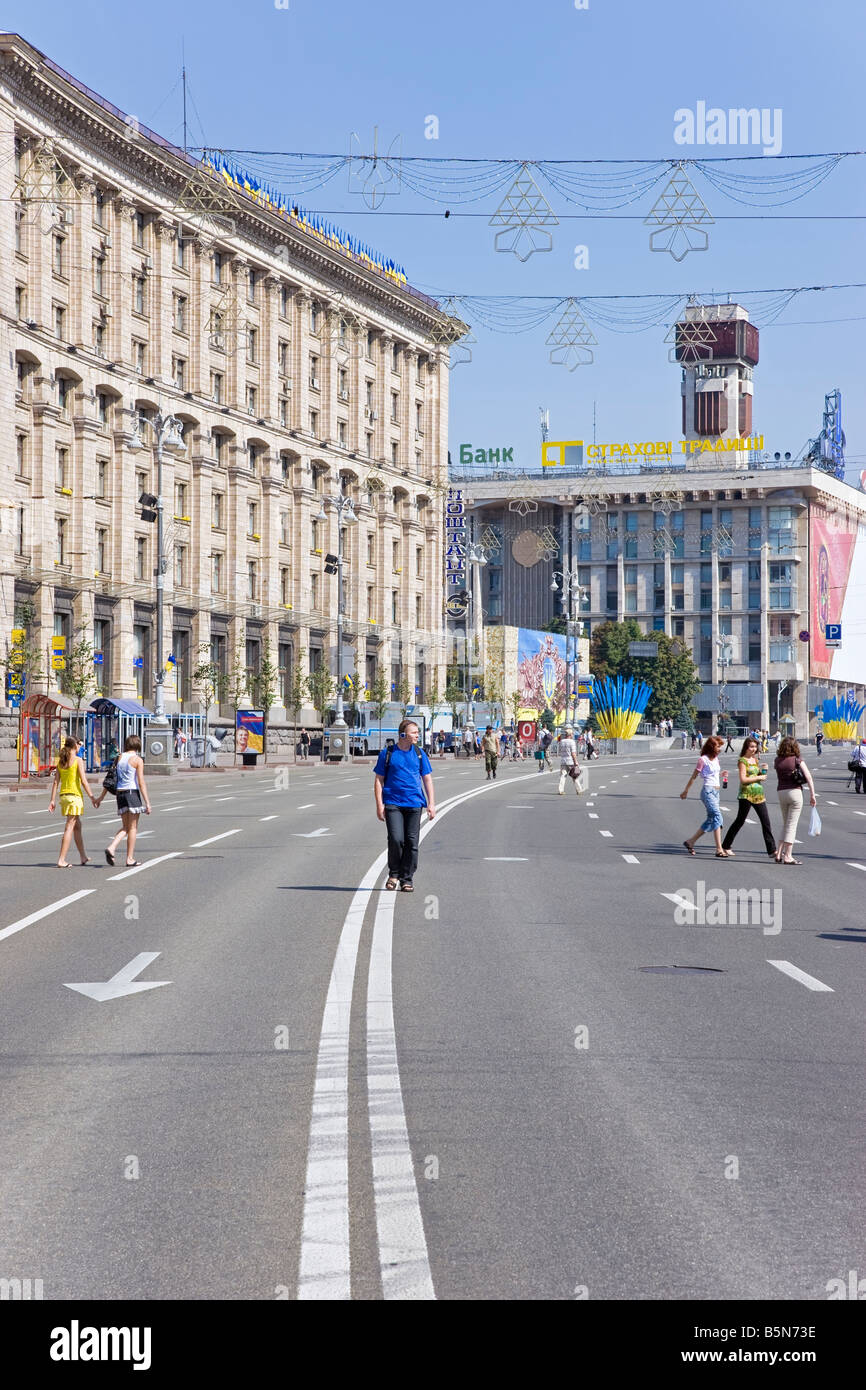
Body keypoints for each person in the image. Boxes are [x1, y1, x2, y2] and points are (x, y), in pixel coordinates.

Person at [373, 718, 435, 892]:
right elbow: (379, 780)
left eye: (417, 732)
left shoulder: (419, 753)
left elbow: (427, 779)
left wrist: (431, 804)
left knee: (411, 842)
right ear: (403, 734)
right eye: (414, 732)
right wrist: (379, 805)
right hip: (393, 802)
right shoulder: (388, 753)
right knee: (396, 839)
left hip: (415, 803)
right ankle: (394, 873)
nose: (417, 735)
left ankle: (406, 878)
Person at [95, 734, 151, 867]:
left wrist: (101, 798)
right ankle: (129, 858)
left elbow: (110, 780)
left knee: (126, 827)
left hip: (120, 795)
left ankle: (112, 847)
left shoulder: (119, 758)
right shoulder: (137, 760)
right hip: (132, 793)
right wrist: (147, 802)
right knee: (132, 828)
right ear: (138, 746)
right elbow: (141, 782)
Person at [720, 736, 777, 859]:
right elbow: (743, 779)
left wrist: (764, 771)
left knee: (766, 822)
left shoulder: (755, 760)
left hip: (759, 795)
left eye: (755, 747)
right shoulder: (743, 761)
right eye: (751, 746)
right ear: (746, 747)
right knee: (740, 821)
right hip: (746, 795)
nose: (753, 749)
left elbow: (760, 777)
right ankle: (726, 845)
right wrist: (759, 777)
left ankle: (772, 850)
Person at [48, 735, 96, 868]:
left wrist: (52, 800)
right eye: (79, 743)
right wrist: (92, 797)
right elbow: (84, 781)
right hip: (74, 797)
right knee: (69, 827)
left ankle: (83, 856)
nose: (80, 746)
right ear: (76, 746)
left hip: (64, 797)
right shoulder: (78, 760)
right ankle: (61, 860)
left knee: (77, 826)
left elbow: (55, 782)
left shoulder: (61, 761)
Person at [681, 734, 730, 858]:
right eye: (718, 746)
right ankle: (719, 849)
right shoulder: (703, 759)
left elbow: (713, 774)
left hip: (716, 792)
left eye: (720, 746)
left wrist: (722, 774)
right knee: (717, 817)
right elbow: (694, 776)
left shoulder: (716, 759)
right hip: (707, 792)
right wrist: (686, 791)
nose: (720, 749)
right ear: (711, 746)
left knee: (711, 819)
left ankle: (690, 842)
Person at [773, 736, 816, 864]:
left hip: (781, 792)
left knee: (786, 824)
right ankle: (788, 856)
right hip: (795, 793)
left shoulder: (777, 760)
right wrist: (812, 795)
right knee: (791, 826)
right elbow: (808, 776)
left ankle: (779, 854)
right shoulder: (797, 760)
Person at [557, 726, 582, 796]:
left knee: (562, 776)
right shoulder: (572, 742)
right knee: (574, 775)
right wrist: (576, 762)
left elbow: (560, 751)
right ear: (570, 735)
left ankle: (560, 790)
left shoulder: (561, 741)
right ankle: (579, 790)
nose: (573, 735)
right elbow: (573, 753)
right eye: (572, 734)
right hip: (570, 761)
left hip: (563, 761)